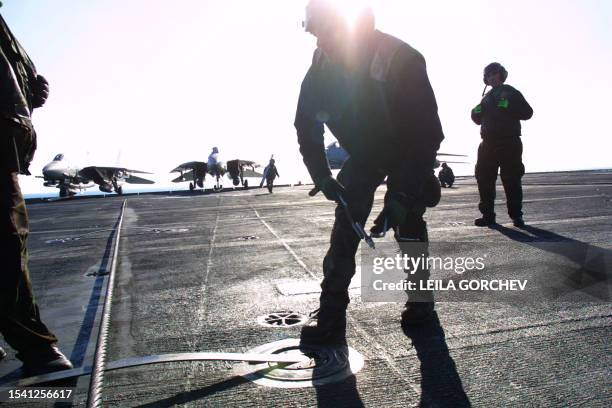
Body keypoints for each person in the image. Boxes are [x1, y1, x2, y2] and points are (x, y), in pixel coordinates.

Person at [295, 0, 444, 345]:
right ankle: (331, 318)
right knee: (345, 228)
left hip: (409, 151)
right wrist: (321, 175)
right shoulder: (322, 62)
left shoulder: (400, 58)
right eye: (315, 33)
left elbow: (426, 135)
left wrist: (402, 194)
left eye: (326, 33)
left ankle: (421, 304)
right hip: (366, 155)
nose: (320, 43)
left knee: (407, 223)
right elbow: (305, 123)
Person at [0, 12, 73, 376]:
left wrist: (30, 93)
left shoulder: (4, 28)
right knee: (7, 245)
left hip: (8, 149)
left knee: (12, 243)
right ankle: (35, 348)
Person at [471, 62, 533, 227]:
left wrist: (510, 106)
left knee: (511, 179)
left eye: (494, 74)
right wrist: (475, 112)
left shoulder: (511, 92)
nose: (491, 78)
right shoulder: (486, 98)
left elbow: (528, 112)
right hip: (487, 143)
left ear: (501, 75)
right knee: (484, 178)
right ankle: (488, 216)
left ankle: (516, 216)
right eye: (488, 75)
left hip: (509, 141)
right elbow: (477, 120)